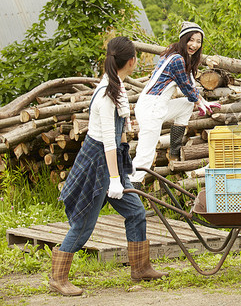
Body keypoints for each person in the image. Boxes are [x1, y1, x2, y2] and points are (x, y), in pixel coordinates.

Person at [51, 37, 167, 297]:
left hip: (113, 163)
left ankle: (140, 267)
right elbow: (107, 143)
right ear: (132, 61)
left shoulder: (118, 87)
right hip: (96, 165)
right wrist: (114, 179)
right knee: (83, 225)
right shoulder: (105, 94)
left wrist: (127, 168)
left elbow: (120, 135)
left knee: (136, 212)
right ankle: (58, 278)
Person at [129, 21, 219, 186]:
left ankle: (174, 151)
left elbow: (190, 86)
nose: (195, 45)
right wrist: (201, 103)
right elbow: (186, 87)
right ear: (183, 39)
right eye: (191, 40)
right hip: (152, 108)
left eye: (198, 41)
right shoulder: (177, 59)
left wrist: (203, 102)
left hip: (154, 105)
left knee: (185, 104)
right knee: (145, 156)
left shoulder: (175, 55)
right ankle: (128, 193)